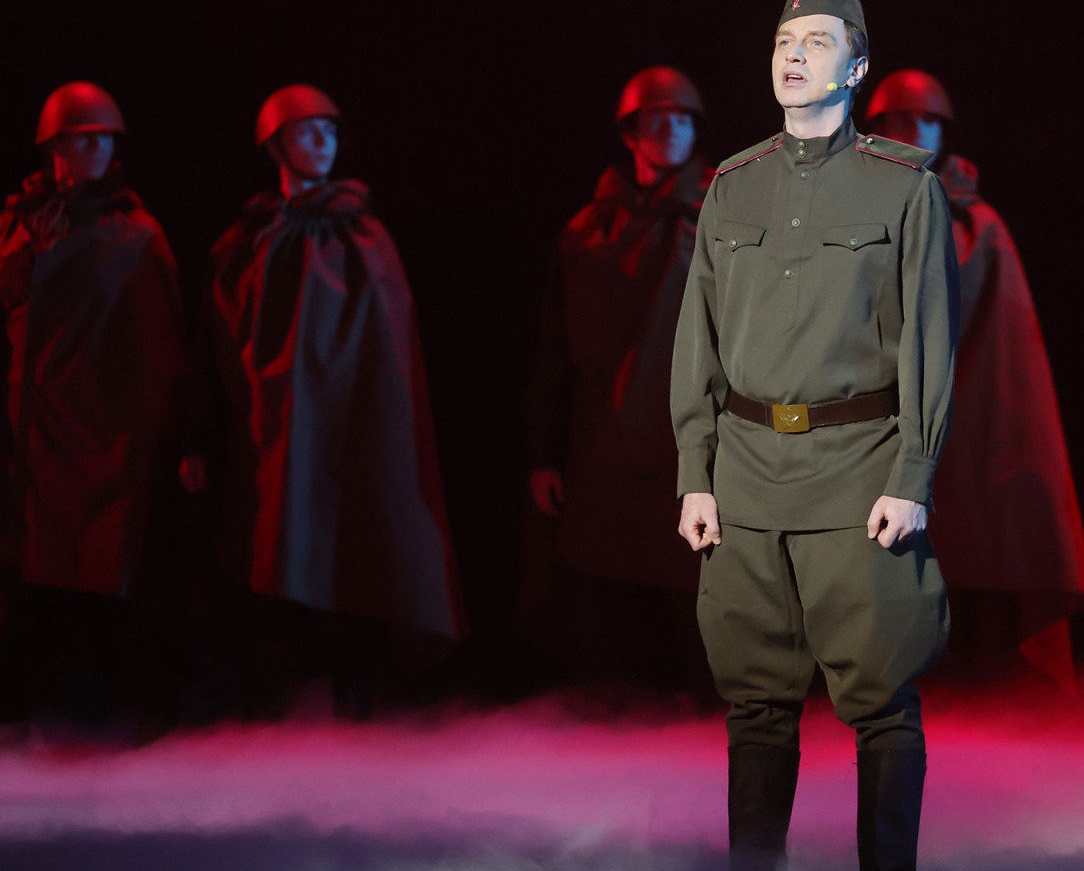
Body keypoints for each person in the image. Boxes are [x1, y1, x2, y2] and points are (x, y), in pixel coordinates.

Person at [672, 0, 960, 871]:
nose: (794, 55)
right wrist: (695, 473)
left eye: (819, 41)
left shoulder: (904, 185)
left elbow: (929, 339)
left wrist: (912, 472)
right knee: (755, 705)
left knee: (882, 702)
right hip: (747, 477)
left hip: (859, 474)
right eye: (784, 40)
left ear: (859, 66)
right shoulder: (733, 185)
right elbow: (697, 340)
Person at [182, 84, 461, 718]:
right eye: (307, 131)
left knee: (349, 563)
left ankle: (354, 705)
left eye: (330, 131)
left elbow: (391, 353)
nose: (323, 142)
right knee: (269, 569)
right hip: (270, 438)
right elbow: (211, 344)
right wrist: (197, 437)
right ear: (275, 145)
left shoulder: (364, 235)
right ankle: (276, 710)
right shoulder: (244, 244)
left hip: (346, 440)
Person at [865, 69, 1084, 689]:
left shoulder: (977, 223)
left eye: (925, 122)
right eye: (898, 122)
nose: (913, 132)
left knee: (971, 561)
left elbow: (999, 341)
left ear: (944, 134)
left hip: (966, 425)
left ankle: (980, 694)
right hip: (876, 421)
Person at [0, 82, 184, 729]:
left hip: (102, 431)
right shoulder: (19, 224)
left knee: (104, 570)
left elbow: (161, 342)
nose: (99, 149)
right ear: (55, 147)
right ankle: (32, 704)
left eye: (106, 139)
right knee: (33, 571)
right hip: (29, 428)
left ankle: (122, 705)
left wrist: (177, 433)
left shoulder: (135, 233)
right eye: (85, 140)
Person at [525, 67, 714, 690]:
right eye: (657, 121)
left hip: (696, 440)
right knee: (606, 606)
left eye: (682, 120)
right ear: (630, 134)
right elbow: (557, 348)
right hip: (605, 441)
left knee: (702, 596)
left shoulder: (729, 216)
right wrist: (545, 455)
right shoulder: (587, 232)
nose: (672, 132)